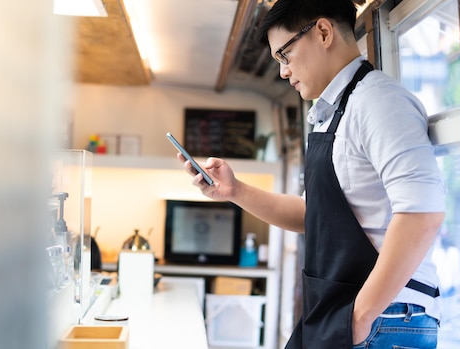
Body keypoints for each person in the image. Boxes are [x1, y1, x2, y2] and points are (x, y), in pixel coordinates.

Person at [176, 0, 446, 347]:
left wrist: (360, 317)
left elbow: (422, 214)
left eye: (284, 55)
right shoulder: (337, 112)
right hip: (348, 311)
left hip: (387, 318)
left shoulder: (379, 102)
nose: (283, 72)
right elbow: (314, 215)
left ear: (322, 32)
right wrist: (234, 190)